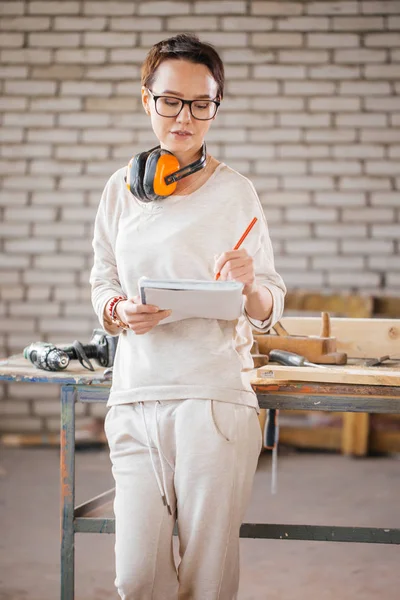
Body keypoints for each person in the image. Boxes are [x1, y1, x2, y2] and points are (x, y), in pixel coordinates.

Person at [90, 33, 286, 600]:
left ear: (216, 106)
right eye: (172, 100)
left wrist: (250, 285)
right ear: (146, 100)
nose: (186, 116)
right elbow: (102, 279)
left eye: (202, 103)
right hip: (135, 396)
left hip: (215, 400)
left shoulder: (237, 193)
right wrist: (118, 309)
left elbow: (271, 302)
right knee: (137, 578)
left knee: (207, 579)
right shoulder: (119, 191)